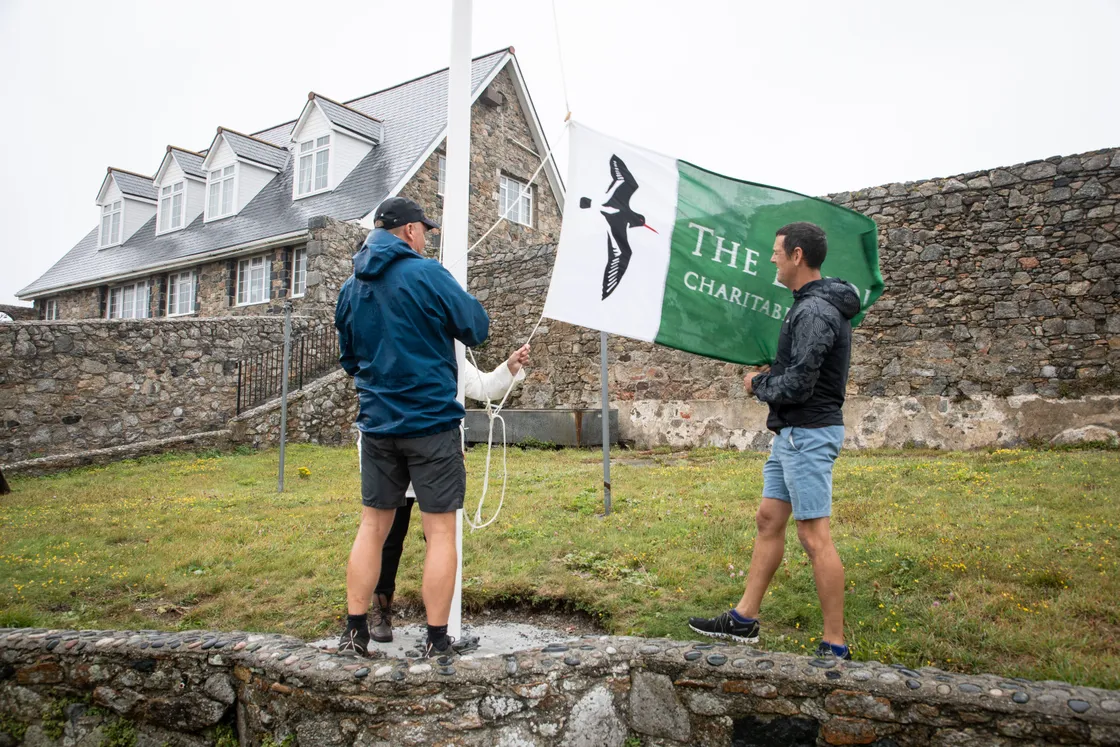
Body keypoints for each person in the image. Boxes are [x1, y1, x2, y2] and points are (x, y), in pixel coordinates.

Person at [688, 221, 861, 661]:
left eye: (777, 251)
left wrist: (759, 385)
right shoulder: (806, 305)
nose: (771, 258)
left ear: (797, 255)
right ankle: (743, 620)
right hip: (791, 433)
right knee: (769, 518)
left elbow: (801, 383)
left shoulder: (815, 312)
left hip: (808, 433)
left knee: (813, 535)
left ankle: (835, 644)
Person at [335, 196, 489, 659]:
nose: (427, 236)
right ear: (407, 231)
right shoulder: (427, 274)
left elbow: (348, 360)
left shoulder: (349, 288)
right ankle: (438, 640)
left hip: (377, 424)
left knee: (372, 528)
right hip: (431, 423)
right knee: (440, 533)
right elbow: (476, 327)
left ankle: (355, 631)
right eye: (424, 228)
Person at [367, 343, 530, 645]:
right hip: (394, 451)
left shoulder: (449, 350)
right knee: (389, 536)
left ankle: (437, 622)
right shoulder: (394, 341)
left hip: (437, 456)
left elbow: (482, 387)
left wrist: (509, 367)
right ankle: (380, 610)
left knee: (440, 540)